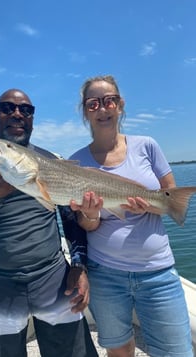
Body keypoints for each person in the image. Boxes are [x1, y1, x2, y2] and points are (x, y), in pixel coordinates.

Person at [0, 88, 98, 357]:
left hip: (53, 279)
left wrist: (79, 265)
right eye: (7, 108)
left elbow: (71, 220)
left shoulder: (51, 160)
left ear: (32, 120)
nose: (17, 113)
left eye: (26, 110)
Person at [69, 75, 194, 357]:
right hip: (105, 274)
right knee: (120, 350)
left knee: (177, 351)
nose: (102, 108)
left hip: (157, 271)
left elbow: (170, 196)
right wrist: (90, 215)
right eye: (93, 104)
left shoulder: (147, 146)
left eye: (109, 100)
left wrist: (149, 206)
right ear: (85, 111)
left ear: (120, 105)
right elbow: (88, 224)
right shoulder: (74, 163)